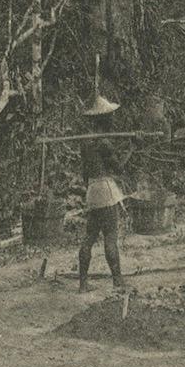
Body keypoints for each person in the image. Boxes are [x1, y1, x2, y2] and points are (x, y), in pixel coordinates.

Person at [75, 92, 129, 296]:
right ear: (105, 119)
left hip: (92, 190)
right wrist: (133, 147)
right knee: (110, 236)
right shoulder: (103, 143)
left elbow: (85, 172)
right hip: (106, 190)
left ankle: (82, 284)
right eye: (110, 117)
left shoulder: (85, 142)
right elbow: (119, 168)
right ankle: (118, 282)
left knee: (89, 236)